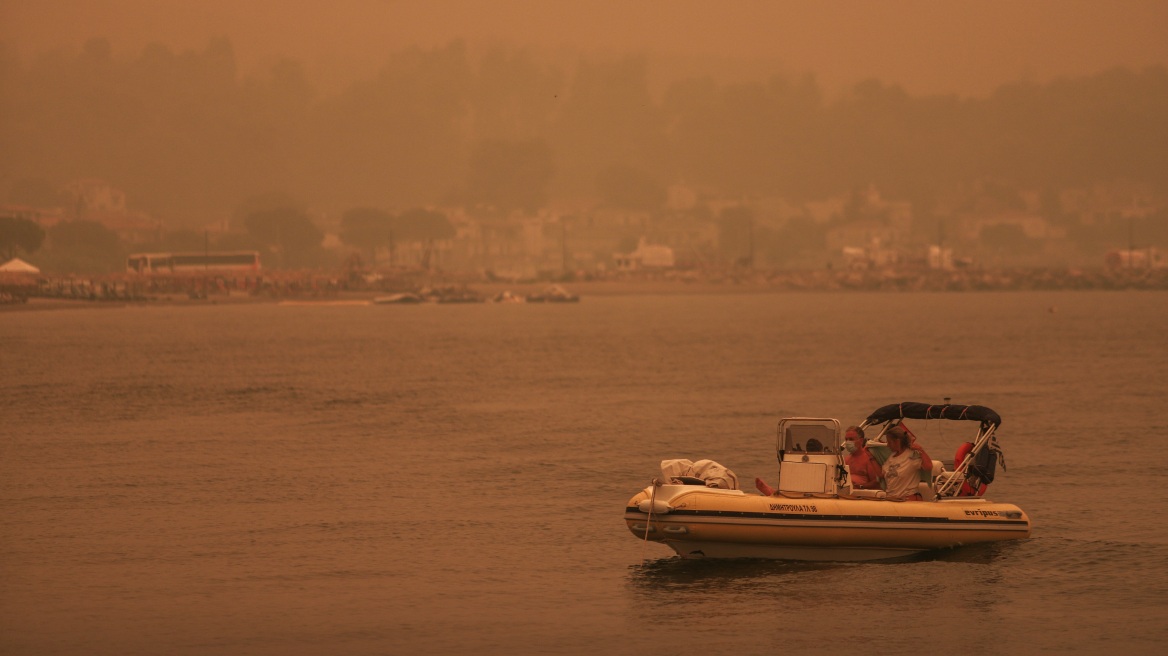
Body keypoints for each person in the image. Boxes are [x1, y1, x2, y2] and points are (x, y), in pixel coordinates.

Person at [881, 424, 933, 500]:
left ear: (897, 442)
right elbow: (882, 474)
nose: (887, 445)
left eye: (889, 442)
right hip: (892, 499)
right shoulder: (891, 457)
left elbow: (928, 467)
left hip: (908, 499)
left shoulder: (912, 455)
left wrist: (921, 450)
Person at [842, 426, 882, 490]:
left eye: (851, 439)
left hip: (862, 495)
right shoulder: (846, 459)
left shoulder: (868, 458)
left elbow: (877, 482)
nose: (848, 442)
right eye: (846, 439)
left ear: (861, 441)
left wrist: (861, 486)